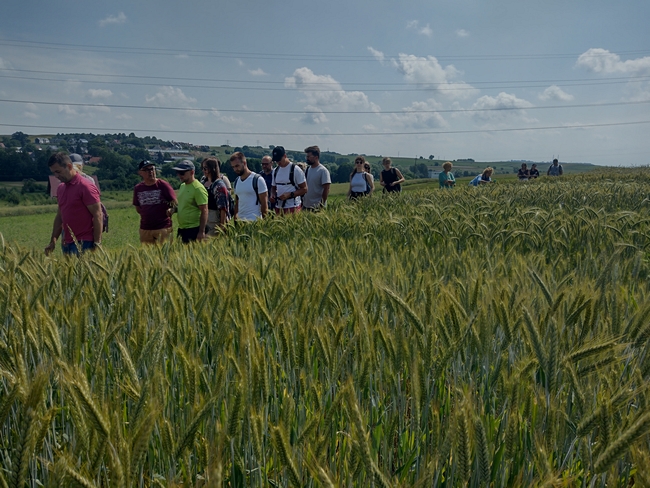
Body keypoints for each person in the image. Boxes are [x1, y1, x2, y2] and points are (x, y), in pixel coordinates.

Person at [44, 152, 103, 255]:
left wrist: (97, 243)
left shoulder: (85, 186)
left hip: (85, 242)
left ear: (69, 166)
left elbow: (98, 215)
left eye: (58, 171)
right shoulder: (61, 188)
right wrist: (53, 240)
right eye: (54, 173)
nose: (56, 176)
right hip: (67, 242)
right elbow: (60, 216)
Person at [133, 160, 177, 244]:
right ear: (140, 173)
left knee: (165, 254)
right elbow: (138, 208)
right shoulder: (138, 188)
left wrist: (171, 210)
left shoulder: (163, 185)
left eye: (152, 169)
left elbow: (174, 203)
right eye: (147, 170)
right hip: (145, 229)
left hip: (163, 227)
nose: (150, 172)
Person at [172, 160, 208, 243]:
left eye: (182, 173)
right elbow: (182, 204)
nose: (179, 175)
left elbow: (204, 211)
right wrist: (173, 210)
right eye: (178, 172)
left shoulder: (198, 188)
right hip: (182, 229)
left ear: (192, 172)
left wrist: (201, 231)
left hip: (194, 229)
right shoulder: (182, 186)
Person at [230, 151, 268, 221]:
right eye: (233, 167)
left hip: (254, 221)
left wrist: (265, 225)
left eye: (237, 166)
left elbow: (264, 204)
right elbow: (237, 202)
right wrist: (235, 219)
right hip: (240, 222)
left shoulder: (257, 180)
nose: (235, 169)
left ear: (244, 163)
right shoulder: (236, 181)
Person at [270, 146, 307, 215]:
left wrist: (290, 195)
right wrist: (273, 195)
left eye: (279, 160)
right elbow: (273, 187)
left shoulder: (295, 170)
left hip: (293, 206)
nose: (278, 162)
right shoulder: (275, 171)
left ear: (285, 156)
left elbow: (304, 189)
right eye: (276, 161)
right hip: (279, 207)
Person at [200, 157, 231, 235]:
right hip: (204, 219)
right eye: (202, 168)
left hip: (214, 220)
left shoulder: (219, 185)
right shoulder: (203, 181)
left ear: (212, 169)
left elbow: (223, 208)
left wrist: (222, 226)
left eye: (205, 168)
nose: (203, 170)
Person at [303, 145, 331, 211]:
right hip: (305, 206)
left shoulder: (323, 171)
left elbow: (326, 189)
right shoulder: (307, 170)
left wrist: (321, 204)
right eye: (306, 156)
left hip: (317, 207)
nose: (307, 158)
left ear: (316, 157)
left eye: (309, 156)